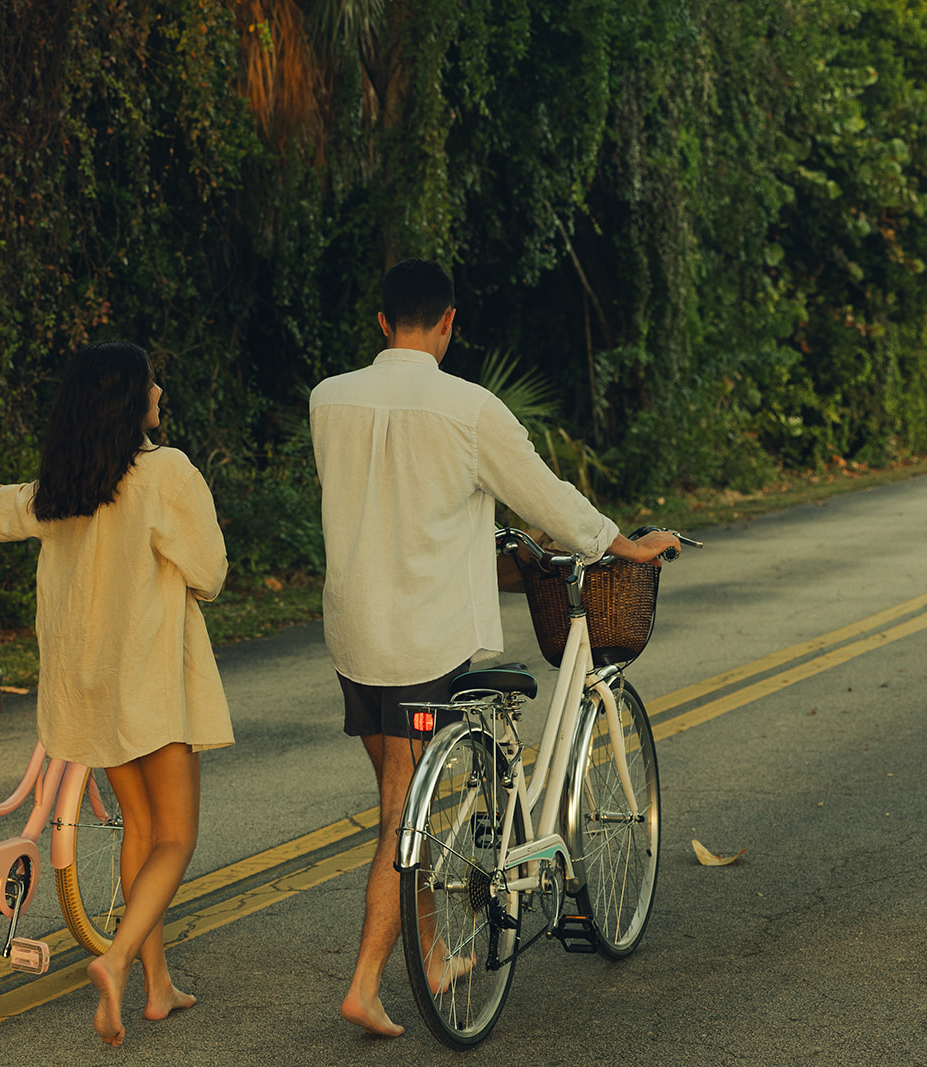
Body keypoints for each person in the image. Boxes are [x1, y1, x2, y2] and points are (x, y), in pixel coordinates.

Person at [309, 259, 678, 1038]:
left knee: (396, 800)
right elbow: (544, 495)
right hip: (423, 636)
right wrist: (625, 544)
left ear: (382, 323)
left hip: (354, 632)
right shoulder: (468, 407)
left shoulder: (328, 398)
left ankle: (439, 950)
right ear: (449, 322)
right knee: (396, 817)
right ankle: (367, 980)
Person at [0, 339, 232, 1047]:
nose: (160, 391)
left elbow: (10, 509)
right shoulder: (166, 473)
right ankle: (120, 958)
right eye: (152, 383)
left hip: (86, 682)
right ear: (132, 399)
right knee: (178, 837)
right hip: (150, 684)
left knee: (139, 826)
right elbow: (210, 569)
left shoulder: (69, 478)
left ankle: (157, 986)